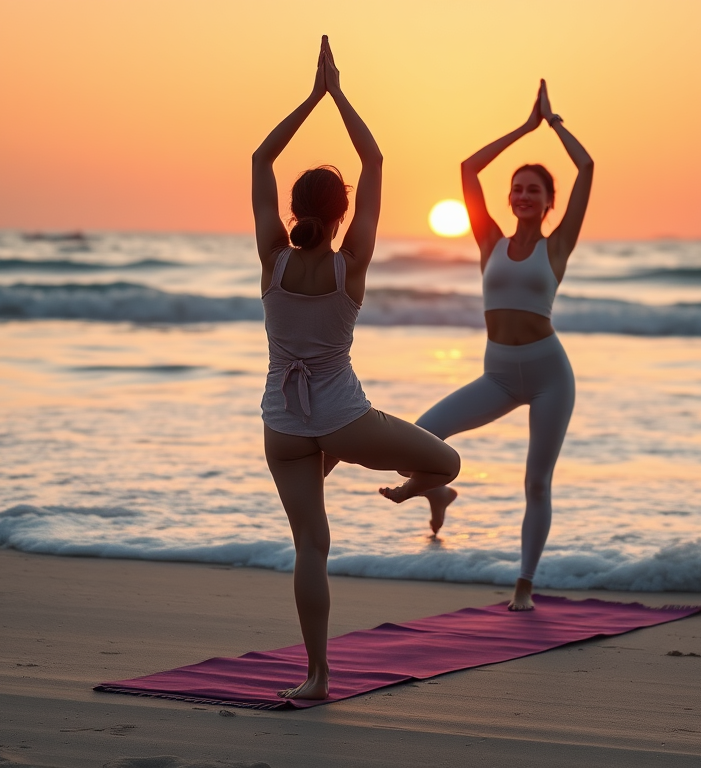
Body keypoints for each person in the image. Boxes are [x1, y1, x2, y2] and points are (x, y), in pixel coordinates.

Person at [252, 36, 460, 700]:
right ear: (344, 213)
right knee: (446, 464)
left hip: (283, 424)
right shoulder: (352, 265)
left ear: (293, 211)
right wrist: (338, 94)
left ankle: (316, 677)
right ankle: (416, 491)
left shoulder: (272, 259)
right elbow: (373, 159)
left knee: (310, 547)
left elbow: (260, 158)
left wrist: (309, 97)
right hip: (343, 418)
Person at [413, 79, 593, 611]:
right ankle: (440, 493)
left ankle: (524, 584)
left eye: (533, 190)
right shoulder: (489, 240)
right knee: (421, 437)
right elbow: (468, 169)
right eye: (516, 188)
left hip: (549, 376)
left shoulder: (557, 246)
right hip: (497, 375)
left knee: (536, 482)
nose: (522, 196)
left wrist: (554, 125)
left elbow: (586, 168)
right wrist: (523, 128)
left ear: (549, 202)